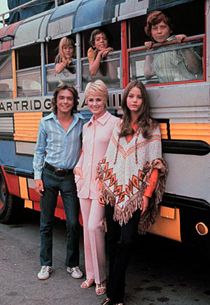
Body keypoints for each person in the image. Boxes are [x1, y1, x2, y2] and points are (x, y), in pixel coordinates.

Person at [97, 80, 168, 305]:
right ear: (125, 100)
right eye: (130, 96)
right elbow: (109, 159)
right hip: (113, 190)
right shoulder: (118, 125)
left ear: (143, 101)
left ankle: (113, 291)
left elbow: (156, 164)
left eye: (138, 97)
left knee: (127, 241)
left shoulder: (152, 128)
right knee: (111, 239)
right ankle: (115, 296)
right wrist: (103, 187)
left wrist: (146, 195)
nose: (134, 100)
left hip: (136, 194)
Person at [33, 84, 84, 280]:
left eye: (69, 98)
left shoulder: (80, 122)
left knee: (72, 222)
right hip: (49, 175)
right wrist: (37, 177)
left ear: (74, 102)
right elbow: (39, 151)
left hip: (69, 178)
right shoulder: (46, 122)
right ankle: (46, 264)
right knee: (46, 222)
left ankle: (72, 264)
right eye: (61, 97)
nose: (65, 101)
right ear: (56, 100)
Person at [74, 80, 119, 295]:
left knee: (95, 227)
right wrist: (78, 168)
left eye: (98, 99)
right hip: (84, 184)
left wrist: (106, 182)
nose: (94, 103)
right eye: (90, 100)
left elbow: (116, 157)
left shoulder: (115, 123)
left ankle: (102, 277)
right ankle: (91, 274)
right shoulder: (86, 125)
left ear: (105, 99)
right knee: (86, 228)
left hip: (102, 185)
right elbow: (84, 152)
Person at [144, 11, 202, 83]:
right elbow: (147, 74)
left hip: (186, 89)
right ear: (150, 32)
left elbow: (195, 69)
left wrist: (185, 45)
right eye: (155, 28)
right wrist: (148, 51)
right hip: (166, 91)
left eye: (163, 27)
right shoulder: (155, 51)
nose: (159, 31)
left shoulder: (180, 42)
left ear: (170, 29)